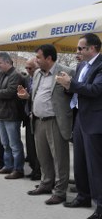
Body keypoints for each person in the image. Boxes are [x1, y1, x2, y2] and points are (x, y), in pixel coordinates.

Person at [56, 33, 102, 219]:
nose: (78, 52)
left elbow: (96, 90)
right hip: (80, 116)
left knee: (96, 165)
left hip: (95, 119)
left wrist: (71, 83)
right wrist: (68, 86)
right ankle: (83, 196)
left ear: (92, 48)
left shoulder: (100, 66)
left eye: (81, 48)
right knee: (80, 161)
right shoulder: (81, 65)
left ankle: (100, 205)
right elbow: (78, 89)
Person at [24, 44, 74, 205]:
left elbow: (74, 96)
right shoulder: (38, 73)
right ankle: (46, 184)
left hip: (56, 121)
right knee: (43, 156)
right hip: (38, 120)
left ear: (49, 58)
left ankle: (60, 192)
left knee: (60, 159)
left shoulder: (66, 72)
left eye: (38, 57)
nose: (36, 61)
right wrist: (27, 96)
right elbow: (37, 93)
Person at [17, 58, 41, 181]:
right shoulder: (26, 79)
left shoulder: (41, 78)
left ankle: (39, 171)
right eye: (26, 68)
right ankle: (33, 169)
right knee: (30, 146)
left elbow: (40, 96)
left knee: (39, 148)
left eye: (30, 68)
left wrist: (28, 96)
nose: (28, 70)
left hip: (38, 116)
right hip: (28, 116)